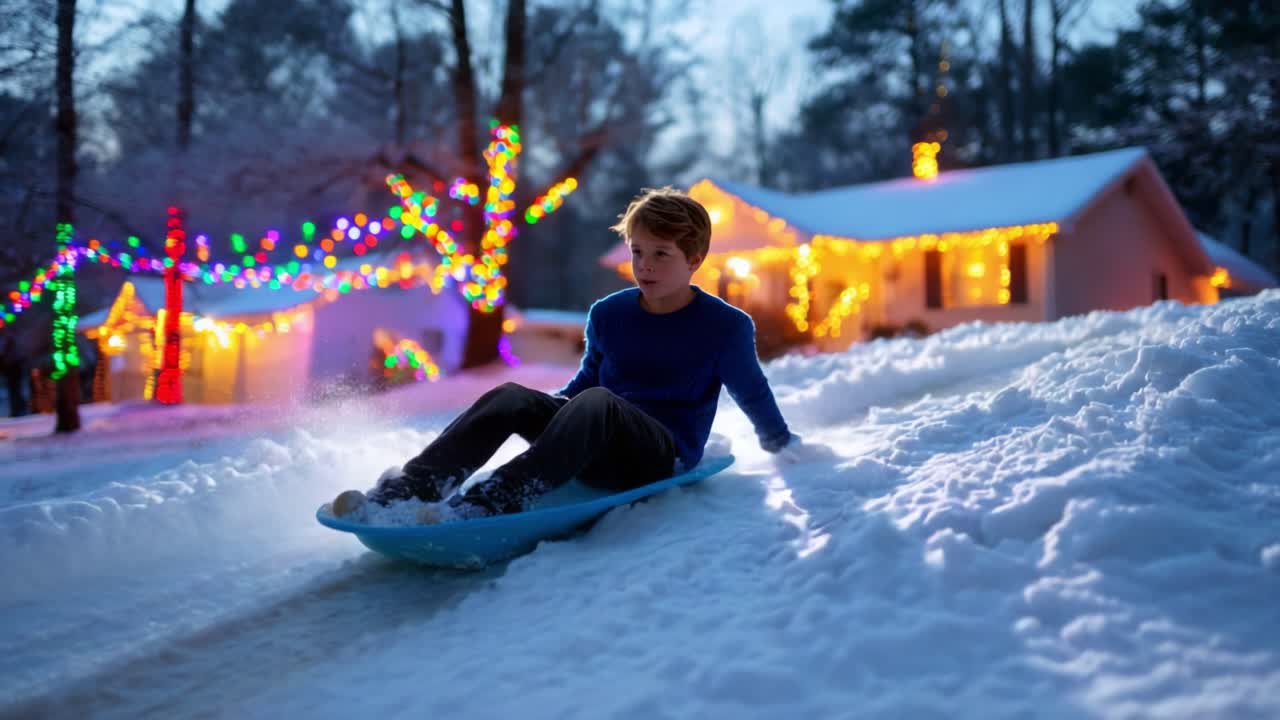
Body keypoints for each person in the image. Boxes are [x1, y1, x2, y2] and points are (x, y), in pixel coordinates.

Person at [330, 186, 827, 524]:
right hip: (594, 431)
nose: (644, 265)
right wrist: (541, 413)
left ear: (694, 259)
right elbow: (584, 386)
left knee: (598, 404)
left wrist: (780, 442)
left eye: (661, 254)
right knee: (510, 395)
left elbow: (752, 392)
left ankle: (488, 503)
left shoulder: (725, 326)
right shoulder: (609, 314)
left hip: (657, 453)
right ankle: (407, 492)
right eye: (637, 251)